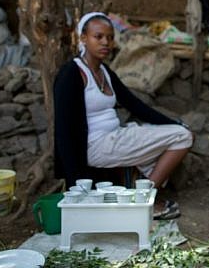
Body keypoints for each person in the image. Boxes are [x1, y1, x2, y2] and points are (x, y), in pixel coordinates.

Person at [54, 12, 193, 220]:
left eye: (110, 38)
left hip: (115, 138)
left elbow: (135, 105)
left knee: (179, 133)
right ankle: (144, 201)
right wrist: (75, 183)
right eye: (98, 37)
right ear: (83, 39)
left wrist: (173, 123)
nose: (106, 42)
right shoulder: (72, 73)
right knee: (183, 137)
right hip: (96, 146)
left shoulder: (104, 72)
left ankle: (140, 196)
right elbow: (64, 131)